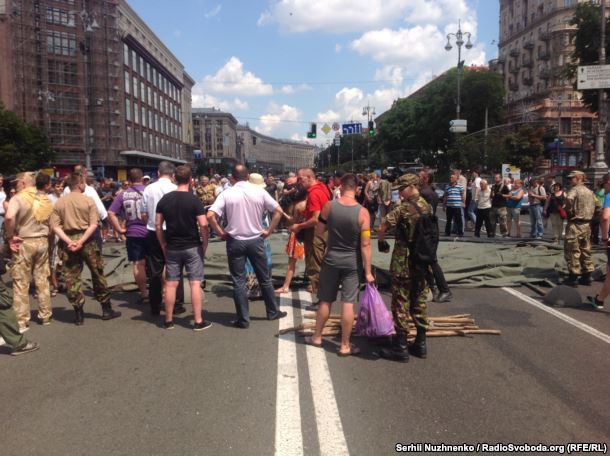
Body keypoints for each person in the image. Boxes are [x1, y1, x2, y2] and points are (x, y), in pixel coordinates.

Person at [207, 164, 287, 328]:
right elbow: (278, 211)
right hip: (256, 239)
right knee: (264, 278)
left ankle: (243, 319)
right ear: (248, 175)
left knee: (238, 281)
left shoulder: (226, 193)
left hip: (235, 240)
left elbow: (210, 215)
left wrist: (221, 232)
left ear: (232, 178)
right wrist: (269, 230)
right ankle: (272, 312)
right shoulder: (259, 191)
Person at [304, 174, 374, 356]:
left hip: (331, 259)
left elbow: (319, 230)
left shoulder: (329, 206)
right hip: (352, 262)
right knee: (348, 303)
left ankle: (317, 337)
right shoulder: (363, 213)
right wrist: (368, 272)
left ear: (341, 187)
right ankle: (345, 345)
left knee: (325, 300)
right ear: (357, 189)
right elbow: (365, 244)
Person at [50, 172, 121, 325]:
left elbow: (55, 226)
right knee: (97, 273)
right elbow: (94, 224)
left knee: (71, 277)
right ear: (80, 184)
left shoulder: (60, 202)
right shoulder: (88, 200)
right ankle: (106, 309)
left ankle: (78, 313)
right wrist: (81, 240)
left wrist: (69, 241)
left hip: (68, 241)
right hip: (87, 240)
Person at [377, 174, 430, 362]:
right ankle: (421, 343)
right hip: (423, 261)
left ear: (412, 186)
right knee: (419, 299)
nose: (400, 192)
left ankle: (400, 346)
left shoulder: (403, 209)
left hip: (404, 261)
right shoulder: (427, 206)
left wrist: (382, 243)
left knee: (400, 301)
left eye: (402, 188)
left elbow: (383, 226)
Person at [156, 166, 211, 331]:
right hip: (192, 246)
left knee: (171, 284)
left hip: (172, 246)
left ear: (174, 178)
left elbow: (158, 225)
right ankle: (198, 320)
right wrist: (205, 243)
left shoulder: (165, 199)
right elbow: (203, 224)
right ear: (190, 179)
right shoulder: (194, 200)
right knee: (195, 283)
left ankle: (168, 320)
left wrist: (163, 243)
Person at [4, 172, 53, 331]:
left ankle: (22, 319)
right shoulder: (45, 198)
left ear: (24, 183)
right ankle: (45, 315)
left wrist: (10, 236)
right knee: (42, 279)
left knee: (21, 282)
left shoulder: (18, 198)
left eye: (17, 182)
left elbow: (10, 216)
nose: (15, 185)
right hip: (42, 240)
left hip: (24, 241)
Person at [141, 162, 186, 316]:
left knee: (154, 270)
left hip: (154, 231)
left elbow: (143, 213)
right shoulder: (176, 189)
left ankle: (155, 305)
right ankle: (177, 303)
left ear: (158, 173)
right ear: (173, 175)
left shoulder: (149, 188)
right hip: (174, 231)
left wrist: (151, 222)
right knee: (176, 268)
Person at [290, 168, 332, 309]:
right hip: (325, 231)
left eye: (301, 179)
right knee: (322, 265)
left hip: (315, 233)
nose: (299, 182)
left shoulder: (314, 193)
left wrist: (299, 226)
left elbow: (315, 219)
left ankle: (321, 302)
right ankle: (323, 300)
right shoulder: (323, 188)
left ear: (309, 177)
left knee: (315, 266)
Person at [107, 168, 149, 306]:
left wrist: (119, 229)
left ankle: (144, 294)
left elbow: (111, 212)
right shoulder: (149, 191)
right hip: (150, 231)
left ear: (129, 180)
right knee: (158, 262)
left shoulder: (122, 195)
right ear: (142, 178)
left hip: (133, 232)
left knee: (138, 264)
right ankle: (163, 291)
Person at [563, 170, 596, 286]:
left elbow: (568, 200)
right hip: (587, 224)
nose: (570, 180)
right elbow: (598, 206)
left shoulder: (574, 190)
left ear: (579, 178)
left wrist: (570, 212)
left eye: (572, 178)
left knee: (572, 250)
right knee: (585, 249)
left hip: (575, 224)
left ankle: (573, 276)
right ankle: (587, 276)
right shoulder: (590, 191)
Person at [275, 186, 306, 294]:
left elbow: (293, 220)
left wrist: (282, 212)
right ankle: (313, 285)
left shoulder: (298, 205)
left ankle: (286, 286)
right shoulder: (311, 204)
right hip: (310, 234)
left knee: (291, 263)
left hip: (297, 234)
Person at [586, 173, 610, 309]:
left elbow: (606, 217)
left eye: (604, 184)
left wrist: (605, 237)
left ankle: (600, 300)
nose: (603, 187)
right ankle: (600, 299)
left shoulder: (609, 196)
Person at [489, 173, 510, 237]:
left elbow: (509, 195)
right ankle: (492, 234)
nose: (495, 179)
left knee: (502, 222)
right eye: (495, 177)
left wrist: (502, 195)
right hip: (494, 206)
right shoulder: (493, 186)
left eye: (497, 178)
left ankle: (504, 234)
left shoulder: (504, 186)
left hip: (501, 207)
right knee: (492, 222)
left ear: (500, 178)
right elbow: (491, 196)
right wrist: (491, 195)